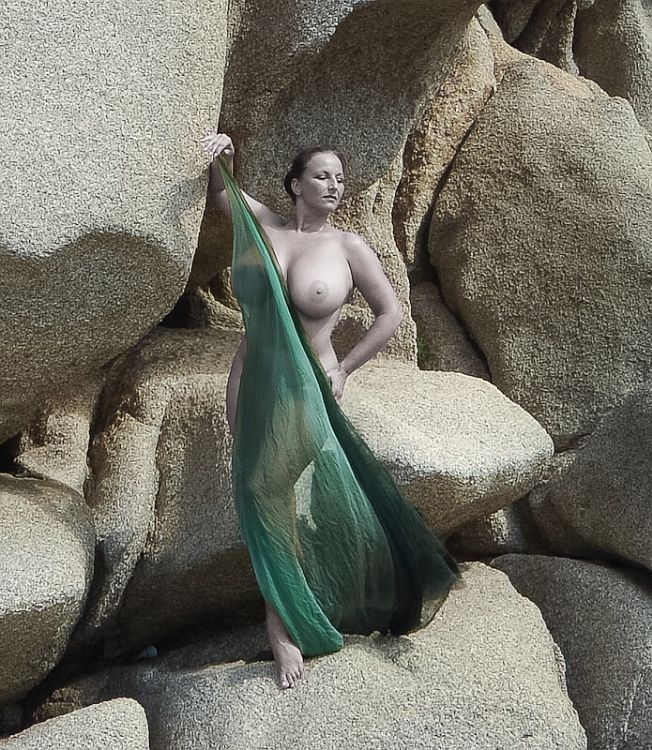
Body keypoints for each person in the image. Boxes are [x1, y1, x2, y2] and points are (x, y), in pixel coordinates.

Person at [201, 132, 460, 690]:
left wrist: (344, 369)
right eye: (322, 176)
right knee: (260, 496)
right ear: (296, 184)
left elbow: (390, 313)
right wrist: (224, 153)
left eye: (340, 179)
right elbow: (222, 191)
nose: (334, 186)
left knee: (266, 491)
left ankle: (283, 627)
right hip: (248, 381)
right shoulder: (266, 228)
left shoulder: (348, 247)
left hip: (307, 387)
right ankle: (292, 607)